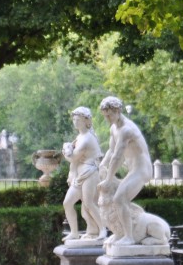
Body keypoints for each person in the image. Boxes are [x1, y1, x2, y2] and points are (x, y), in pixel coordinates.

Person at [98, 96, 152, 246]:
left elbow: (117, 156)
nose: (107, 119)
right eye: (105, 116)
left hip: (141, 170)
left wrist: (108, 179)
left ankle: (129, 236)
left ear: (117, 111)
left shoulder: (126, 130)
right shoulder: (114, 128)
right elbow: (110, 150)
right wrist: (102, 164)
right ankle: (120, 233)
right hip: (133, 170)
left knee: (119, 199)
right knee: (119, 200)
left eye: (109, 115)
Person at [61, 107, 104, 240]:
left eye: (78, 120)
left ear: (86, 121)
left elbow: (73, 157)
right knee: (67, 203)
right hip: (79, 176)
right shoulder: (79, 137)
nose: (75, 122)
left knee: (89, 203)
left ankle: (102, 230)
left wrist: (65, 151)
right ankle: (74, 232)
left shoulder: (87, 139)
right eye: (74, 119)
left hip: (90, 173)